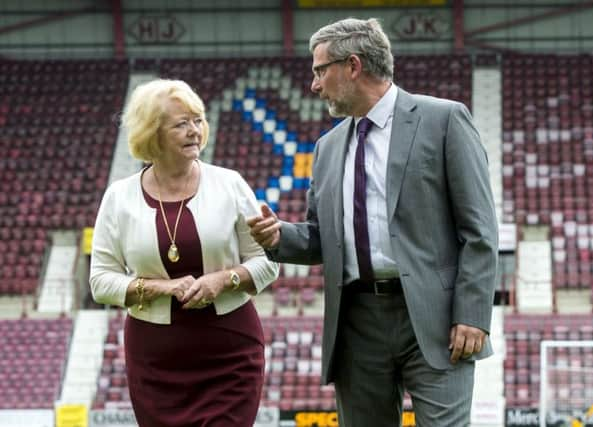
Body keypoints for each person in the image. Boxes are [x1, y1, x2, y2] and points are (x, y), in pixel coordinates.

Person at [247, 17, 498, 427]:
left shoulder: (444, 120)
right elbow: (320, 238)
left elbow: (480, 229)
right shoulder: (327, 148)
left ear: (353, 66)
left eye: (319, 70)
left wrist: (472, 313)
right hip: (357, 321)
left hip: (436, 320)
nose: (314, 85)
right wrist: (279, 236)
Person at [90, 79, 279, 427]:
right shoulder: (119, 197)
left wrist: (223, 280)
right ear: (152, 133)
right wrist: (164, 288)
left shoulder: (230, 183)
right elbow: (101, 281)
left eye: (198, 120)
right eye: (181, 123)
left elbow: (268, 263)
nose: (195, 131)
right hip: (155, 360)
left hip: (230, 354)